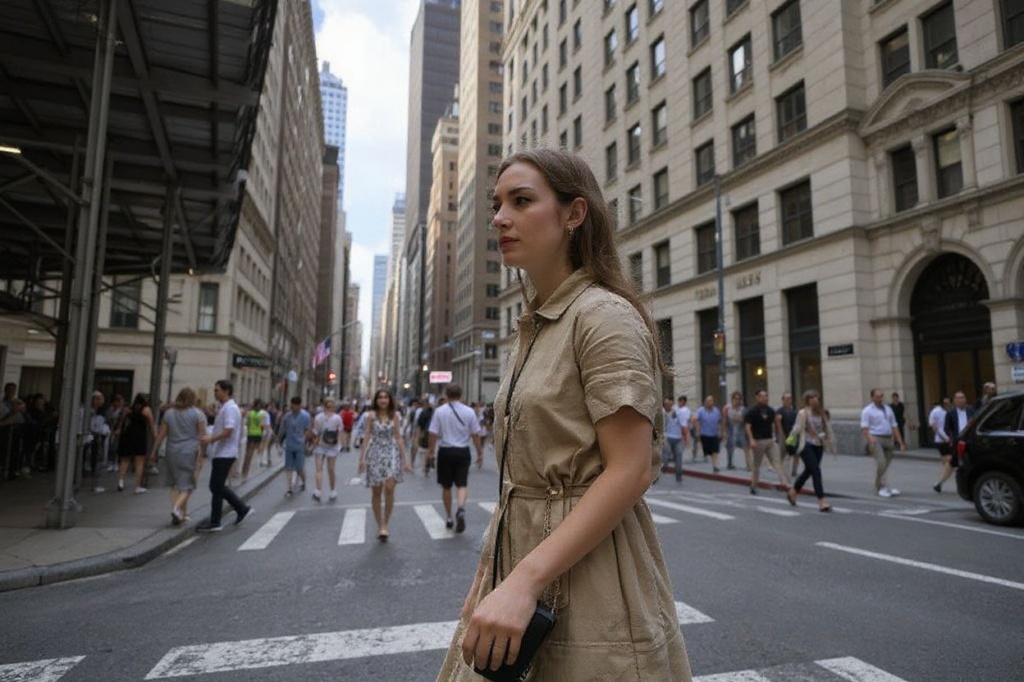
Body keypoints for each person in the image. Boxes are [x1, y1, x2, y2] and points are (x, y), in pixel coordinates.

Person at [436, 149, 690, 681]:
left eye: (521, 201)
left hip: (593, 578)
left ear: (575, 214)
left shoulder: (603, 316)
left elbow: (631, 469)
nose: (500, 217)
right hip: (520, 564)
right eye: (497, 203)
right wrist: (489, 576)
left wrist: (523, 581)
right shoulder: (536, 326)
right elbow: (517, 479)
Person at [196, 379, 254, 532]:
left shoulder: (230, 408)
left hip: (225, 453)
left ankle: (236, 511)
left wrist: (211, 439)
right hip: (221, 452)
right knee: (216, 486)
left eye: (217, 390)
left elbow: (228, 430)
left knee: (216, 486)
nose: (215, 393)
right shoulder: (225, 407)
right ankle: (222, 517)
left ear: (226, 391)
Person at [426, 384, 483, 532]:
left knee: (446, 486)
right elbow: (476, 434)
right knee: (462, 484)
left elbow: (432, 433)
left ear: (446, 395)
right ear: (461, 395)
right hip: (463, 451)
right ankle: (461, 508)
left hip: (445, 451)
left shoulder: (439, 411)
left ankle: (449, 517)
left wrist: (431, 452)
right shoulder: (469, 411)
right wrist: (479, 453)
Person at [358, 389, 410, 541]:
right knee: (376, 491)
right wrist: (361, 459)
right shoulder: (370, 416)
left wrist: (405, 459)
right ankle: (379, 523)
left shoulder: (395, 416)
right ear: (376, 400)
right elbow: (366, 436)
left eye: (386, 397)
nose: (383, 400)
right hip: (375, 453)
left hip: (392, 453)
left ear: (389, 400)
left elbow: (399, 437)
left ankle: (385, 524)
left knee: (389, 488)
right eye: (380, 397)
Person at [150, 387, 206, 525]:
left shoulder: (168, 413)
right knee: (188, 485)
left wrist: (153, 451)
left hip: (171, 450)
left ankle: (182, 513)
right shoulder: (198, 414)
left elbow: (161, 434)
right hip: (189, 451)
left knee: (175, 483)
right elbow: (201, 437)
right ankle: (176, 509)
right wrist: (202, 454)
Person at [786, 390, 836, 512]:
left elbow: (827, 428)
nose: (814, 399)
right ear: (807, 400)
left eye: (816, 397)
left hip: (818, 444)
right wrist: (789, 442)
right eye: (811, 397)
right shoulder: (803, 413)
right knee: (816, 471)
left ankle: (793, 491)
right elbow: (796, 429)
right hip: (806, 445)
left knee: (809, 471)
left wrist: (830, 441)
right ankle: (822, 501)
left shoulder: (821, 412)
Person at [860, 388, 906, 497]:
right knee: (881, 463)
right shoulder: (867, 410)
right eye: (877, 397)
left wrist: (900, 442)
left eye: (881, 396)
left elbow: (894, 425)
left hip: (888, 438)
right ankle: (880, 486)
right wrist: (870, 438)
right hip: (876, 438)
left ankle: (882, 485)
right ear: (872, 398)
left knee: (886, 464)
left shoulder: (888, 409)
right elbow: (864, 428)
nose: (880, 399)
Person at [745, 389, 789, 495]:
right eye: (762, 396)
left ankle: (784, 482)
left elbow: (774, 423)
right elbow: (747, 426)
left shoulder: (770, 410)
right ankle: (754, 485)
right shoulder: (752, 411)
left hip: (770, 440)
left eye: (766, 396)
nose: (764, 398)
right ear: (757, 398)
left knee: (776, 461)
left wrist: (777, 435)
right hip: (758, 440)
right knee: (757, 465)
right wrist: (751, 439)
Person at [116, 393, 156, 494]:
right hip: (140, 437)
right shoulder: (146, 410)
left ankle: (120, 482)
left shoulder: (128, 409)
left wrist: (120, 429)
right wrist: (156, 437)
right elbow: (152, 425)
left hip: (128, 435)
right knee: (139, 462)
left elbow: (122, 421)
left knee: (125, 460)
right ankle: (137, 486)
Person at [940, 391, 975, 493]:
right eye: (958, 398)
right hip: (957, 441)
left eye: (962, 398)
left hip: (970, 440)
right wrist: (951, 437)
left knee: (968, 463)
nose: (960, 400)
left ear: (965, 399)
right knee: (953, 462)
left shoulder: (971, 410)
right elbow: (947, 427)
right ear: (954, 401)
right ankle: (940, 482)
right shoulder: (950, 413)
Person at [310, 397, 344, 501]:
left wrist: (312, 444)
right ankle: (332, 491)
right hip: (332, 446)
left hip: (320, 445)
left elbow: (315, 433)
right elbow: (340, 432)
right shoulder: (337, 418)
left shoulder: (318, 417)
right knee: (331, 469)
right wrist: (339, 445)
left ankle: (318, 491)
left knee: (319, 469)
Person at [280, 396, 311, 496]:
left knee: (300, 467)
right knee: (288, 467)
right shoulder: (287, 416)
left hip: (300, 444)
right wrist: (280, 441)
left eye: (294, 405)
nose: (292, 407)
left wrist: (306, 442)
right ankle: (289, 488)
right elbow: (283, 429)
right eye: (291, 405)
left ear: (299, 405)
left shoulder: (305, 416)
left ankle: (303, 482)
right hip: (289, 444)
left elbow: (307, 430)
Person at [928, 397, 954, 493]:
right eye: (945, 402)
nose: (947, 404)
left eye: (949, 402)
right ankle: (939, 483)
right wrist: (944, 438)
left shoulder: (950, 411)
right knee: (950, 463)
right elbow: (934, 427)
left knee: (948, 464)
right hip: (942, 441)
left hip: (947, 440)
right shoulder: (936, 411)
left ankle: (939, 483)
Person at [694, 394, 724, 473]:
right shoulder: (700, 411)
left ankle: (715, 466)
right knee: (708, 451)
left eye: (711, 401)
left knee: (715, 450)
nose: (709, 402)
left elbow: (720, 421)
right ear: (704, 402)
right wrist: (697, 431)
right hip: (704, 434)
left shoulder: (716, 411)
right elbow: (696, 420)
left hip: (714, 434)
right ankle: (704, 457)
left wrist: (722, 432)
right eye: (707, 401)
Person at [724, 391, 751, 471]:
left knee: (746, 448)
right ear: (732, 399)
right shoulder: (727, 409)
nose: (737, 401)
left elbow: (745, 421)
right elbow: (725, 421)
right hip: (731, 431)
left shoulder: (743, 409)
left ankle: (749, 465)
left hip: (741, 431)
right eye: (735, 399)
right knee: (730, 448)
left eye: (739, 399)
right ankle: (730, 463)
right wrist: (724, 432)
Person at [775, 392, 800, 477]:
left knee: (796, 453)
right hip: (784, 435)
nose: (788, 401)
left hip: (793, 435)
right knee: (782, 453)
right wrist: (781, 435)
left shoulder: (795, 411)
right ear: (783, 400)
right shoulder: (780, 411)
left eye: (790, 399)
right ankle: (780, 470)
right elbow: (777, 423)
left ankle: (794, 471)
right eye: (786, 399)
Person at [661, 397, 684, 483]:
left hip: (677, 438)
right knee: (666, 455)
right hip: (666, 437)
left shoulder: (677, 412)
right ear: (665, 405)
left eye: (671, 404)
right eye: (667, 404)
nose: (669, 406)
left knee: (679, 456)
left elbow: (683, 423)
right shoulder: (661, 413)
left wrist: (685, 435)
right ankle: (663, 467)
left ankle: (679, 475)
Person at [241, 399, 266, 479]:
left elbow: (247, 423)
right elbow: (262, 425)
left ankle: (244, 471)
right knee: (255, 453)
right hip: (258, 434)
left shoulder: (250, 413)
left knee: (248, 453)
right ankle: (247, 472)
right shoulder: (262, 414)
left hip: (250, 434)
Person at [417, 398, 436, 475]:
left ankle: (427, 464)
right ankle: (427, 464)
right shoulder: (435, 412)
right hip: (431, 432)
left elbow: (420, 423)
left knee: (429, 449)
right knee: (429, 449)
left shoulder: (424, 411)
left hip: (428, 432)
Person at [675, 395, 693, 461]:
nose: (679, 403)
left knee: (685, 442)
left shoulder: (684, 410)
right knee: (684, 442)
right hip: (681, 427)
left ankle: (685, 457)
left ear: (683, 402)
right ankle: (684, 457)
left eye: (680, 401)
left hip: (684, 427)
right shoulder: (680, 409)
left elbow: (687, 420)